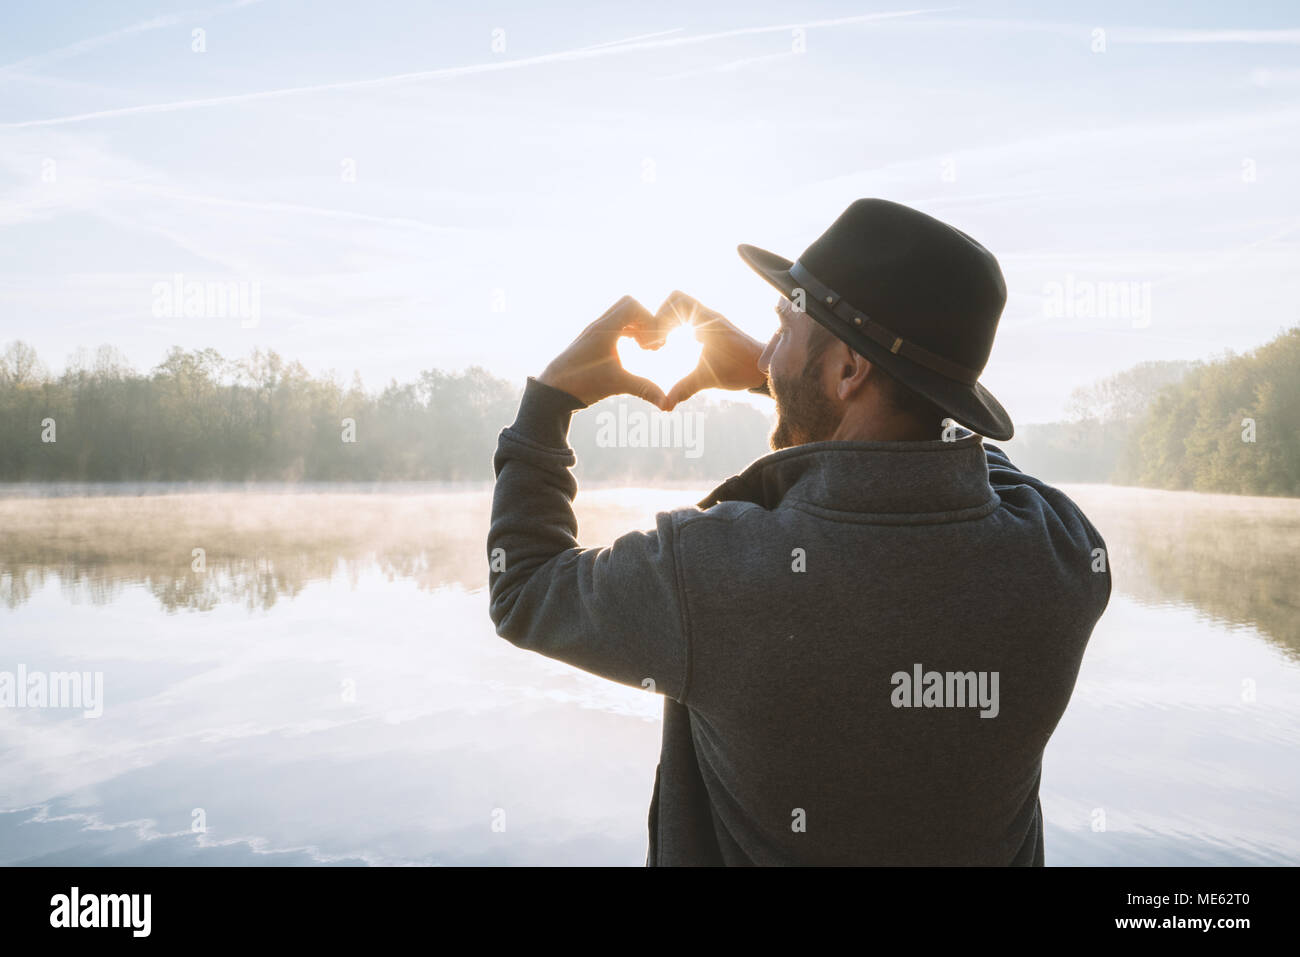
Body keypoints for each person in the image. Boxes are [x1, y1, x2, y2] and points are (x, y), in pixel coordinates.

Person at [487, 198, 1111, 865]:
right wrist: (795, 373)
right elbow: (952, 454)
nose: (767, 356)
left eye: (784, 326)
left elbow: (522, 583)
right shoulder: (1064, 557)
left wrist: (551, 397)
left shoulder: (715, 573)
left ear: (848, 370)